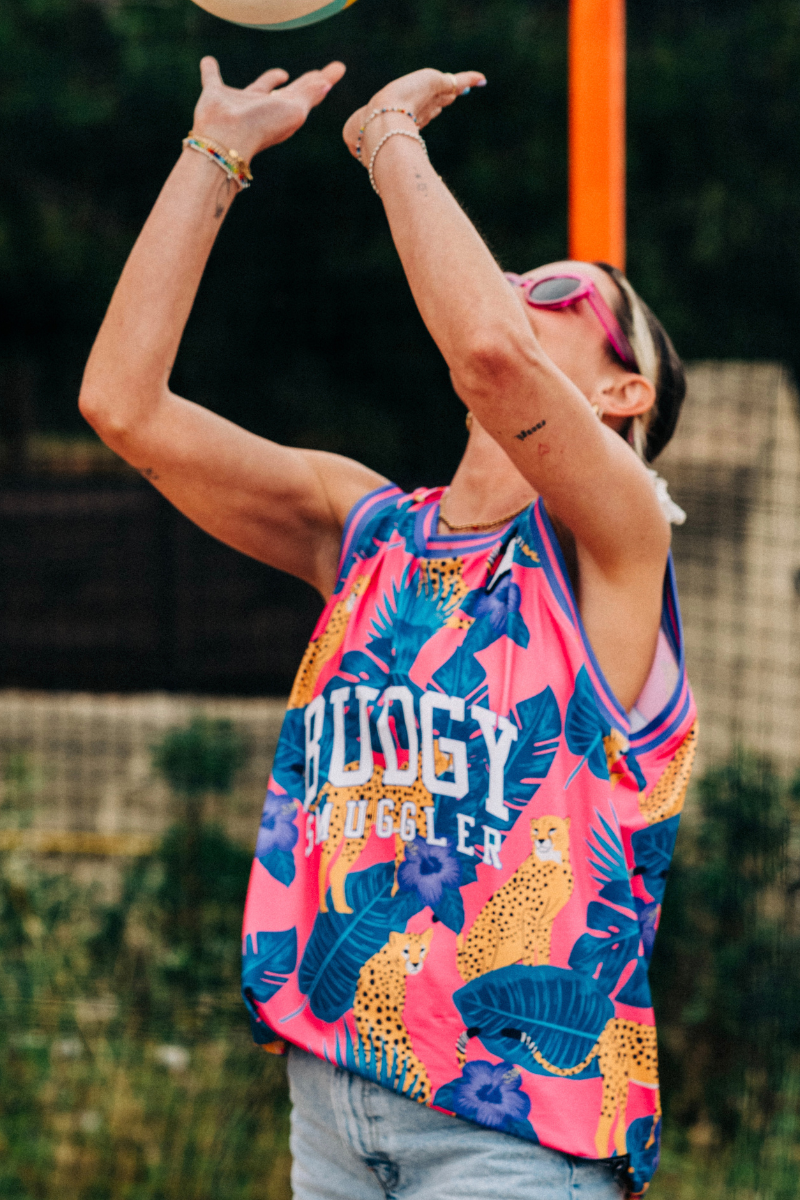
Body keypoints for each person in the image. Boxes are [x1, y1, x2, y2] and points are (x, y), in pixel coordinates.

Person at [80, 57, 697, 1200]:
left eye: (557, 293)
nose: (513, 287)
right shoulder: (365, 532)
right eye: (508, 273)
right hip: (332, 1091)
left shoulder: (613, 547)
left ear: (621, 395)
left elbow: (486, 351)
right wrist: (214, 150)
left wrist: (389, 139)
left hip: (516, 1135)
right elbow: (122, 404)